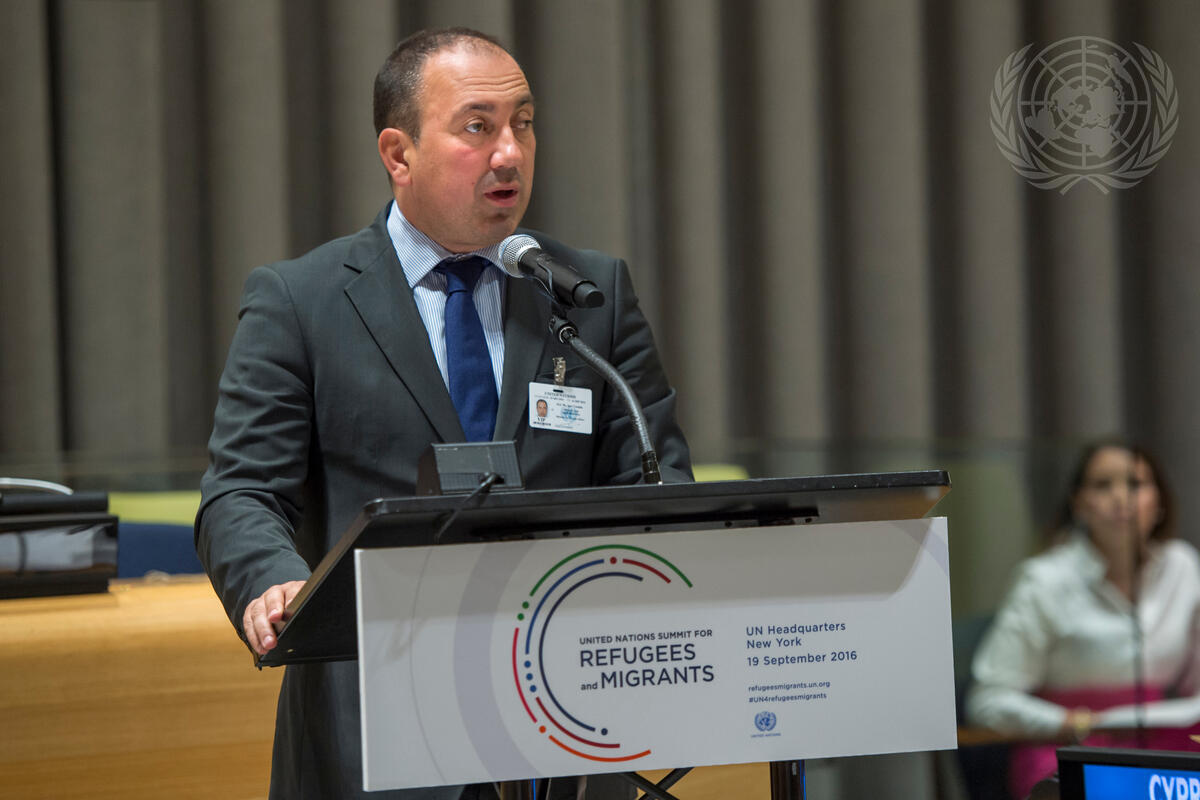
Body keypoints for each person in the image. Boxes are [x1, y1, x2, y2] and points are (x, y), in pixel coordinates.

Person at [195, 27, 691, 800]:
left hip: (568, 722)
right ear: (399, 154)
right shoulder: (302, 301)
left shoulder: (588, 294)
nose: (510, 153)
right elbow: (242, 491)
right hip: (371, 730)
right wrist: (273, 582)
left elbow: (656, 481)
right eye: (478, 127)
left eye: (523, 123)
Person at [966, 440, 1200, 799]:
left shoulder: (1182, 566)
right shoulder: (1043, 579)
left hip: (1168, 745)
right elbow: (987, 700)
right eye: (1103, 485)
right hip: (1068, 748)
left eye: (1135, 484)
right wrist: (1072, 723)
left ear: (1160, 501)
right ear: (1079, 503)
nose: (1121, 498)